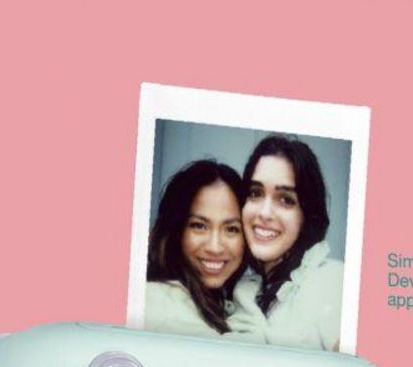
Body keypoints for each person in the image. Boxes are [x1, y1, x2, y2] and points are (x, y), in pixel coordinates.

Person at [230, 134, 344, 350]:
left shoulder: (330, 281)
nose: (264, 213)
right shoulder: (245, 291)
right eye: (255, 193)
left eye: (285, 200)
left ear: (306, 214)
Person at [142, 159, 247, 337]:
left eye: (231, 229)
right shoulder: (159, 303)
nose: (215, 247)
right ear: (175, 231)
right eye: (199, 226)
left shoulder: (222, 302)